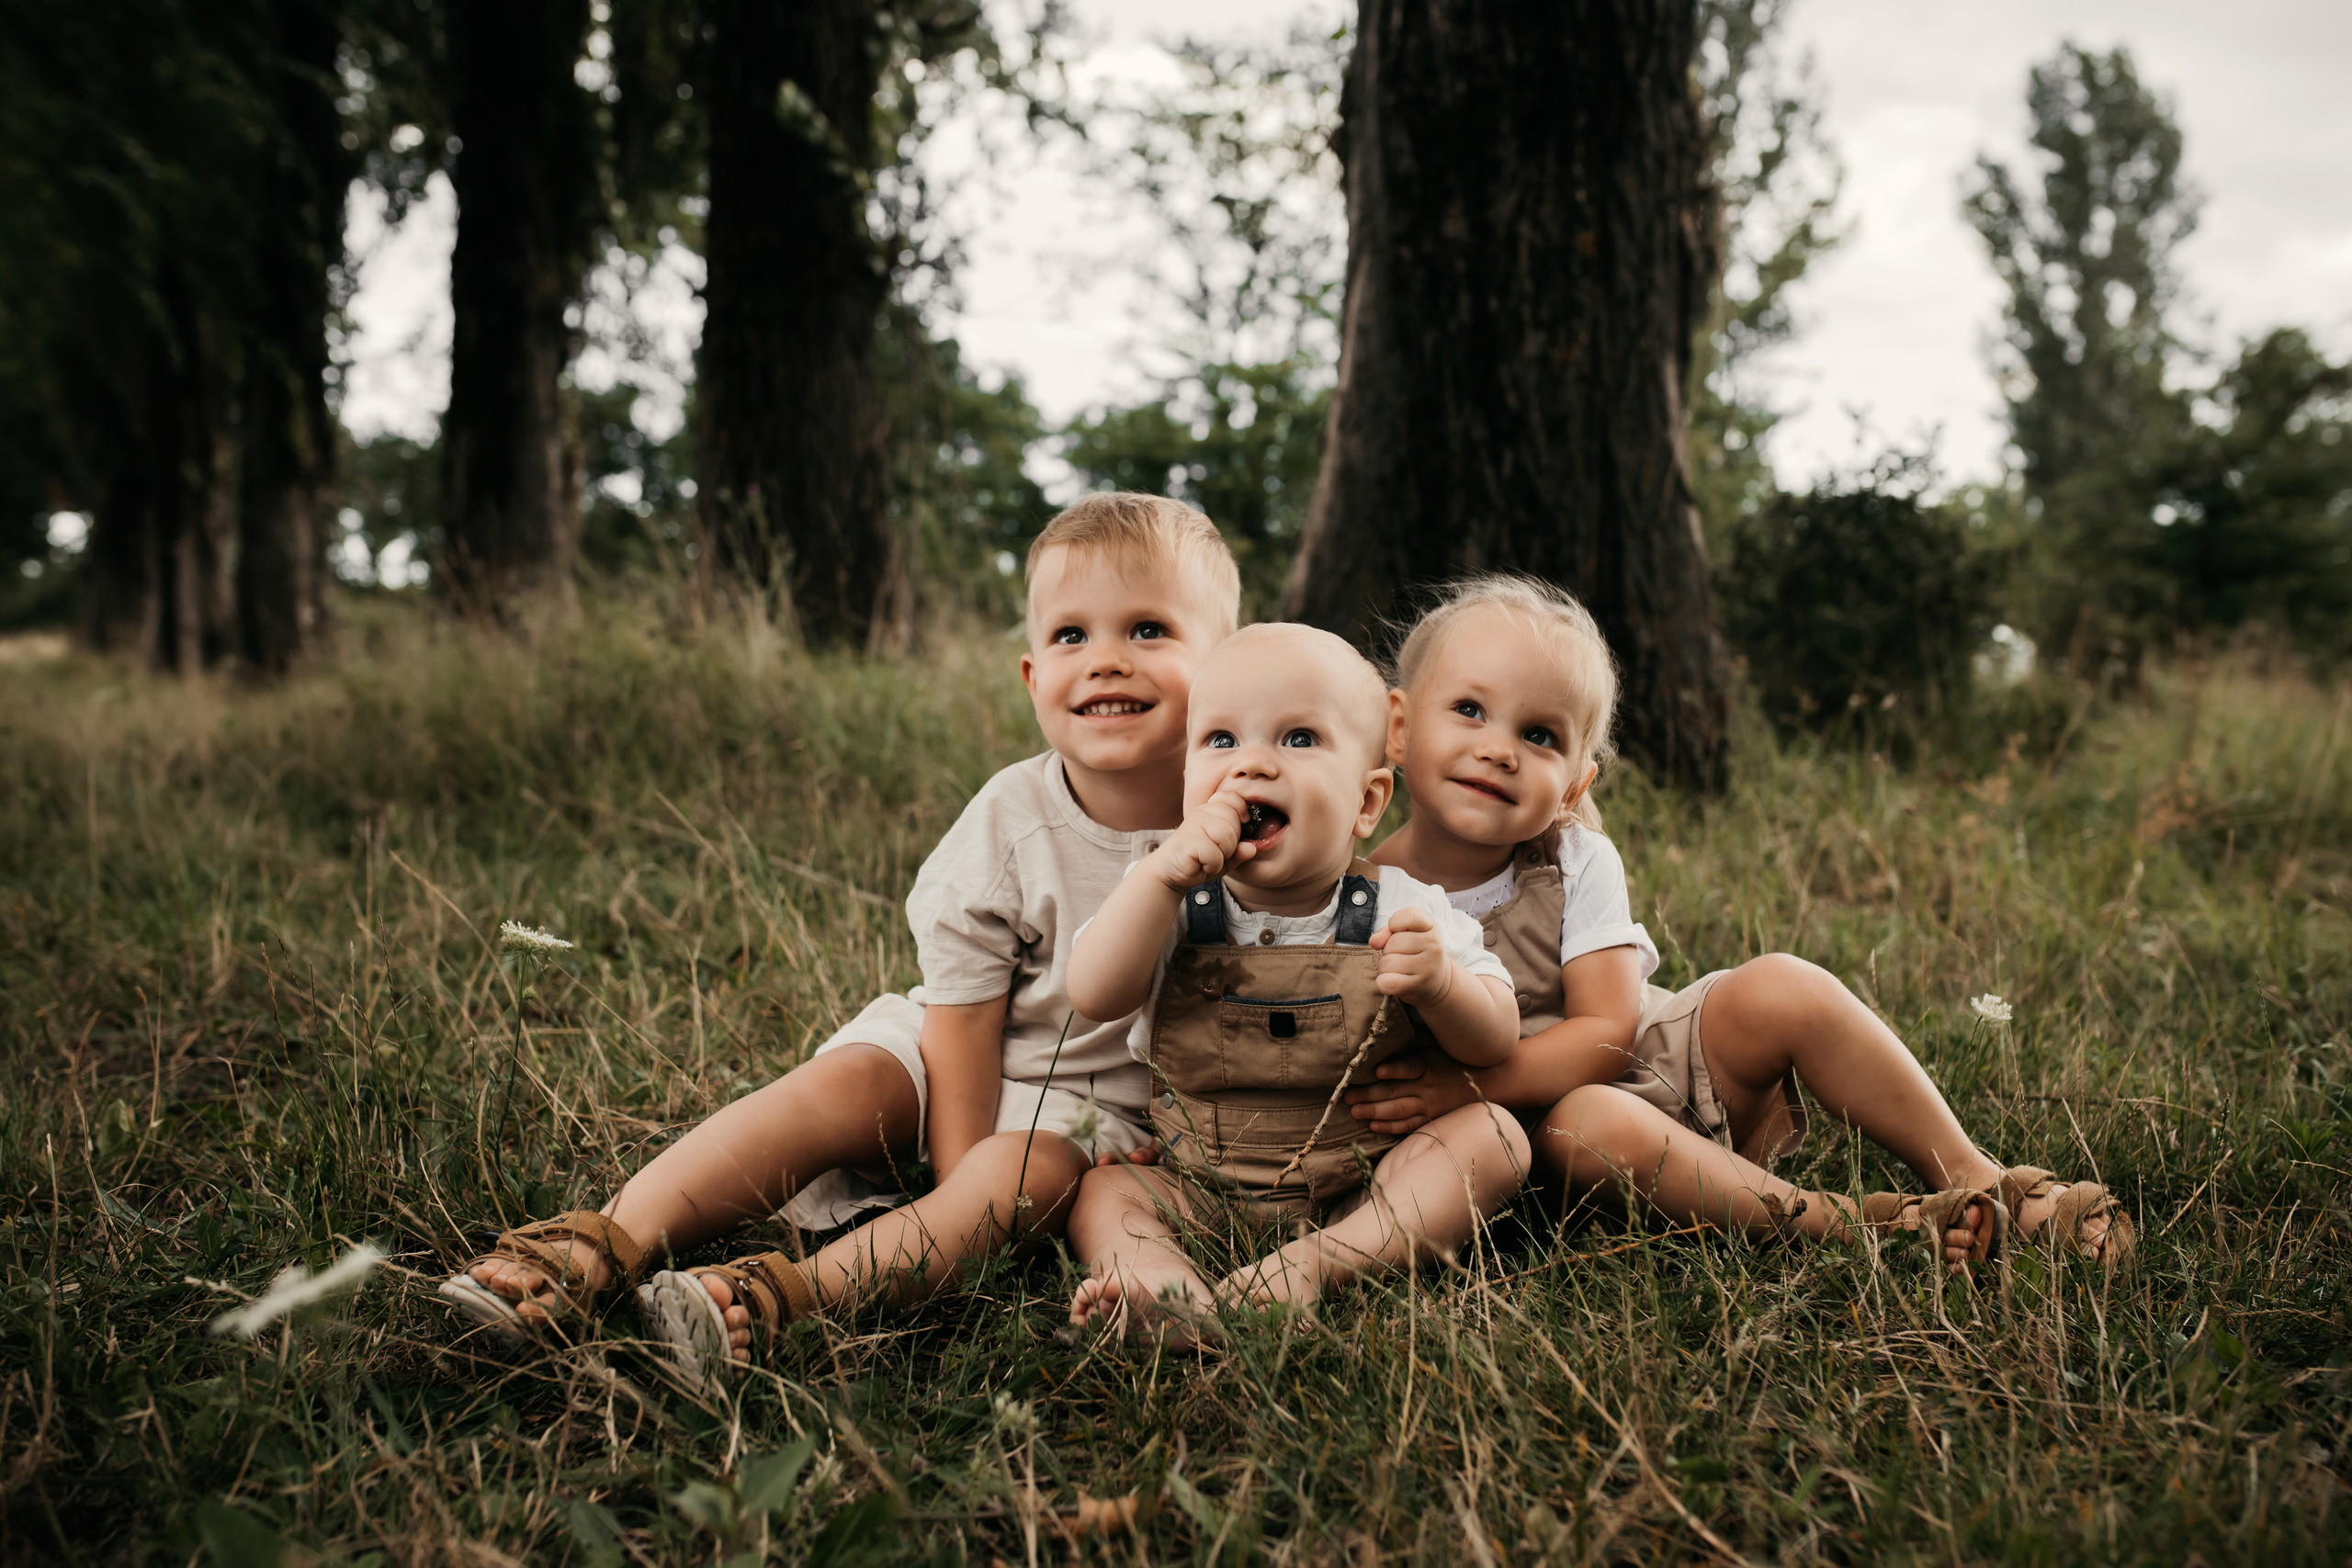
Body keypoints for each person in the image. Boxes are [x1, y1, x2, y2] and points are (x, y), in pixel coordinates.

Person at [440, 493, 1243, 1385]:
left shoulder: (1250, 824)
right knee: (850, 1077)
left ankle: (776, 1299)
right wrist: (947, 1174)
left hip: (1088, 1108)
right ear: (1029, 677)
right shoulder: (1012, 819)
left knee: (1023, 1173)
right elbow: (963, 1016)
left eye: (1146, 630)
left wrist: (974, 1194)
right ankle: (605, 1239)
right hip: (957, 1047)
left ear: (1226, 671)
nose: (1103, 661)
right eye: (1070, 638)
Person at [1352, 574, 2134, 1271]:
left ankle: (1973, 1172)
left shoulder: (1575, 857)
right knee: (1587, 1120)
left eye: (1539, 735)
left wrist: (1466, 1078)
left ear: (1575, 782)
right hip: (1544, 1149)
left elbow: (1609, 1033)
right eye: (1468, 710)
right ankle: (1844, 1222)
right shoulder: (1357, 890)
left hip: (1655, 1077)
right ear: (1400, 726)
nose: (1499, 749)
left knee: (1779, 985)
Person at [1063, 623, 1529, 1344]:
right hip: (1200, 1187)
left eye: (1298, 739)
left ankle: (1319, 1263)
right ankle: (1166, 1289)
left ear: (1368, 803)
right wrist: (1160, 877)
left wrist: (1442, 985)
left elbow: (1497, 1036)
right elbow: (1093, 992)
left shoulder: (1406, 903)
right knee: (1106, 1189)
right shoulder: (1164, 899)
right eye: (1221, 741)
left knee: (1496, 1137)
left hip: (1362, 1186)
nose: (1250, 766)